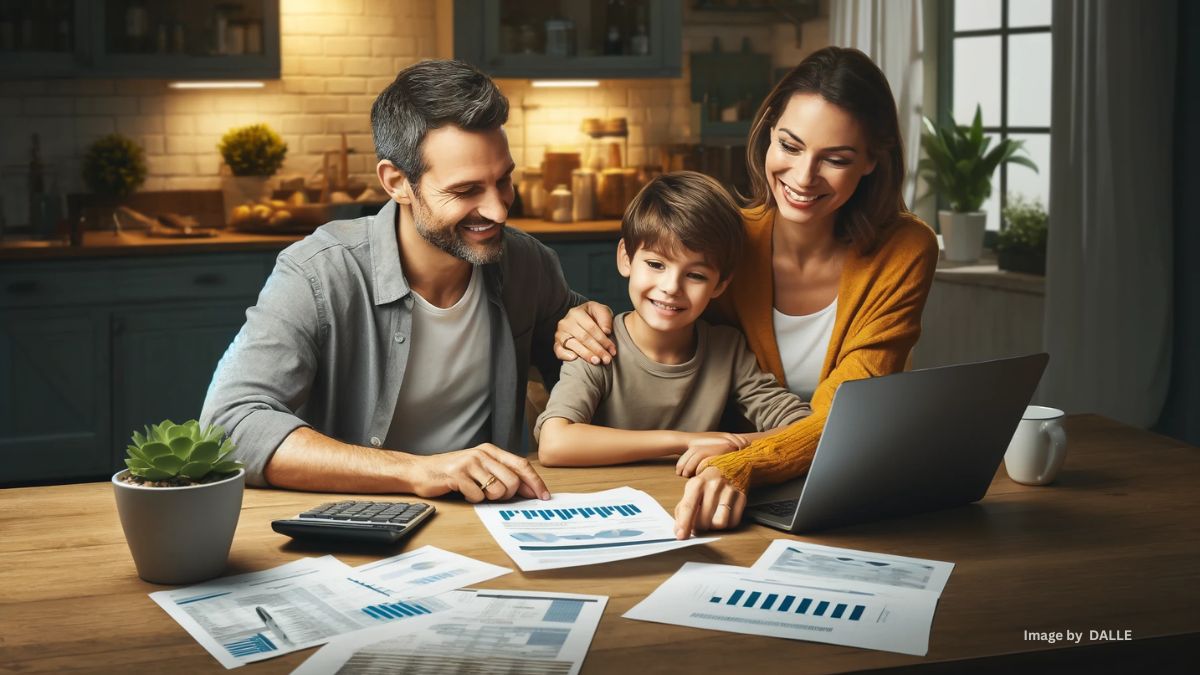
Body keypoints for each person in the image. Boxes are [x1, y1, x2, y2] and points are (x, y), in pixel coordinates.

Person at [552, 47, 939, 537]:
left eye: (836, 159)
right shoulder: (722, 243)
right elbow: (654, 313)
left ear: (871, 162)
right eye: (791, 146)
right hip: (720, 490)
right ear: (768, 132)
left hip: (831, 477)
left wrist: (743, 457)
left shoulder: (904, 249)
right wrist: (577, 317)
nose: (802, 177)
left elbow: (847, 414)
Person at [201, 59, 602, 503]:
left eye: (503, 180)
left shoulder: (528, 263)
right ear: (397, 182)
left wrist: (588, 324)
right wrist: (417, 471)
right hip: (355, 527)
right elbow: (229, 426)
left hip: (493, 519)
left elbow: (604, 379)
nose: (499, 211)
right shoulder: (317, 273)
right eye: (466, 190)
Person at [534, 172, 812, 471]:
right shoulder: (597, 343)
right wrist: (686, 441)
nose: (671, 286)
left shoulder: (726, 349)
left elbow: (804, 429)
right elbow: (554, 444)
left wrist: (731, 445)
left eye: (696, 275)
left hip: (688, 502)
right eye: (656, 264)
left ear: (719, 285)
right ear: (626, 258)